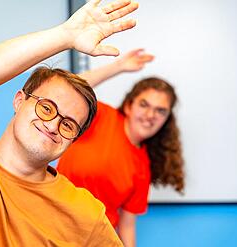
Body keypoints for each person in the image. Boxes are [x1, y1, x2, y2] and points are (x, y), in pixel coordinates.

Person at [0, 0, 140, 246]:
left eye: (68, 125)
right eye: (46, 108)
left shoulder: (85, 215)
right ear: (19, 101)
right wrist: (66, 35)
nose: (54, 124)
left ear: (73, 140)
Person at [57, 49, 185, 247]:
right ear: (129, 105)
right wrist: (118, 67)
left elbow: (127, 226)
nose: (151, 115)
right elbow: (66, 90)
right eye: (144, 104)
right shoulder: (100, 116)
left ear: (166, 119)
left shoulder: (143, 167)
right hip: (53, 225)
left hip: (95, 240)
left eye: (160, 111)